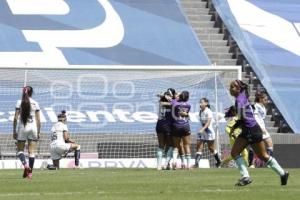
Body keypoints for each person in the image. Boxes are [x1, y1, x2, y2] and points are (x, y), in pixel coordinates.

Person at [229, 80, 289, 186]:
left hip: (250, 130)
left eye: (232, 87)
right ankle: (283, 174)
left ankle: (246, 177)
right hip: (253, 129)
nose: (230, 89)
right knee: (263, 156)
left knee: (237, 153)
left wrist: (234, 126)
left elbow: (243, 117)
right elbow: (244, 116)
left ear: (238, 89)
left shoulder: (240, 99)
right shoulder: (242, 96)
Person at [13, 86, 41, 179]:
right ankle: (30, 174)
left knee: (19, 150)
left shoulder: (19, 102)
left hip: (23, 127)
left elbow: (15, 118)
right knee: (31, 152)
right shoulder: (35, 103)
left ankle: (25, 165)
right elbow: (38, 120)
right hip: (33, 128)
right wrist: (39, 132)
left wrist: (14, 130)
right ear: (31, 93)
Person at [167, 91, 192, 169]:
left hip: (176, 126)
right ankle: (188, 165)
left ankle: (174, 162)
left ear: (180, 96)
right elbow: (186, 114)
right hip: (185, 125)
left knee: (176, 146)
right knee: (186, 145)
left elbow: (170, 100)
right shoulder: (189, 105)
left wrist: (170, 96)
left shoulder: (175, 104)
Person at [194, 98, 221, 168]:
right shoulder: (200, 112)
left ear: (206, 104)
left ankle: (218, 161)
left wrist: (202, 129)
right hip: (202, 132)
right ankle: (196, 164)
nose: (200, 104)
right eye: (200, 102)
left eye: (201, 102)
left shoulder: (208, 111)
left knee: (211, 148)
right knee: (199, 147)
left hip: (209, 132)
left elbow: (208, 122)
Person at [155, 88, 175, 170]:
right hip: (167, 126)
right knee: (170, 145)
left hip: (159, 125)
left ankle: (159, 166)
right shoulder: (172, 104)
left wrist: (163, 96)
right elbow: (174, 103)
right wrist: (169, 97)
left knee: (161, 146)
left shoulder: (160, 102)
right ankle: (166, 163)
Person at [254, 92, 274, 156]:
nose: (267, 101)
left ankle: (269, 162)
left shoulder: (263, 107)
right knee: (254, 147)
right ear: (260, 99)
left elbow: (261, 119)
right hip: (257, 129)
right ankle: (251, 164)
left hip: (262, 129)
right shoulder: (256, 106)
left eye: (267, 100)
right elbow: (255, 117)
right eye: (265, 99)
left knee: (270, 144)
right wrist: (260, 127)